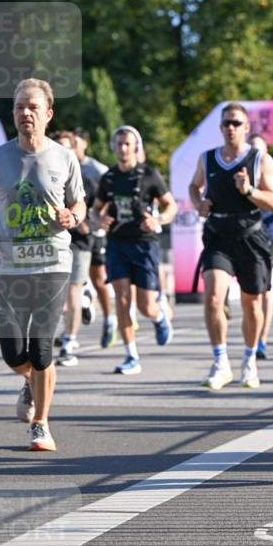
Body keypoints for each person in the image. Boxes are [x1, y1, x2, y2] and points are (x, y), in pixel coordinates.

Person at [0, 78, 86, 451]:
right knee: (13, 353)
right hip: (11, 267)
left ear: (48, 114)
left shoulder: (64, 157)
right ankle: (31, 381)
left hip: (53, 263)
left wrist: (73, 216)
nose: (25, 113)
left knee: (41, 349)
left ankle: (41, 423)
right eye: (19, 107)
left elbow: (79, 203)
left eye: (33, 107)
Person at [188, 104, 273, 390]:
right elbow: (194, 186)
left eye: (236, 123)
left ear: (246, 128)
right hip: (218, 235)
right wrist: (199, 203)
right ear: (220, 128)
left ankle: (250, 361)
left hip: (251, 236)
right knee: (213, 298)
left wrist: (249, 190)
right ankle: (221, 362)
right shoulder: (207, 158)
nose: (231, 128)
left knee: (251, 303)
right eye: (227, 123)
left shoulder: (259, 159)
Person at [93, 126, 177, 374]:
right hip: (117, 243)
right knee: (121, 299)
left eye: (127, 144)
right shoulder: (108, 178)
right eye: (119, 144)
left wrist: (158, 220)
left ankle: (159, 316)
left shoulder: (149, 174)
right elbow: (96, 209)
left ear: (136, 147)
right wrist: (99, 219)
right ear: (113, 147)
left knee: (145, 306)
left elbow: (170, 206)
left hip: (144, 243)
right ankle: (131, 356)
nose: (123, 148)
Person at [52, 131, 99, 366]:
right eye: (57, 147)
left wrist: (87, 223)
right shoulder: (44, 178)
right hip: (52, 243)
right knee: (56, 296)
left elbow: (100, 209)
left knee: (72, 292)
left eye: (66, 148)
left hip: (79, 244)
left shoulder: (86, 181)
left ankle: (68, 344)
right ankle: (85, 298)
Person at [72, 126, 115, 348]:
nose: (71, 148)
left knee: (98, 278)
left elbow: (110, 194)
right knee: (71, 280)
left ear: (84, 144)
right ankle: (71, 332)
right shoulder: (61, 164)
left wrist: (101, 218)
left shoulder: (96, 169)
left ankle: (109, 319)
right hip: (74, 229)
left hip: (95, 230)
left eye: (75, 143)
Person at [249, 133, 273, 360]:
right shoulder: (238, 170)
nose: (254, 154)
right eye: (250, 148)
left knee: (264, 290)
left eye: (258, 149)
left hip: (265, 236)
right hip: (238, 236)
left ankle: (262, 339)